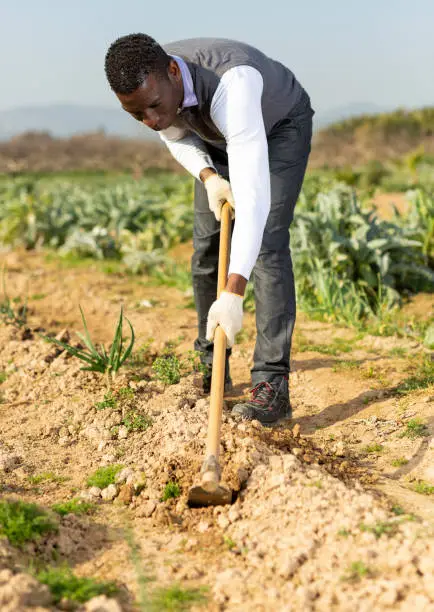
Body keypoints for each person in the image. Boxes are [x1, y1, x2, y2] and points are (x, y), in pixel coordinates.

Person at [104, 34, 314, 425]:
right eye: (137, 116)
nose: (149, 120)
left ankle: (272, 386)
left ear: (172, 72)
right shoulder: (152, 87)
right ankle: (211, 359)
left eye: (153, 107)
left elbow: (252, 203)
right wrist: (208, 177)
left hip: (277, 127)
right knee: (206, 246)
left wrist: (234, 293)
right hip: (214, 136)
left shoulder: (234, 85)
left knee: (266, 243)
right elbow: (175, 135)